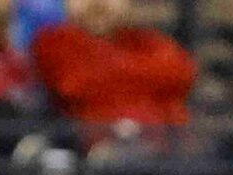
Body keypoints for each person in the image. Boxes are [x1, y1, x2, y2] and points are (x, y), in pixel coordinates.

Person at [29, 0, 195, 129]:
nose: (97, 3)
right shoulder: (53, 41)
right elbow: (77, 85)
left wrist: (112, 70)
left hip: (167, 159)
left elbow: (182, 74)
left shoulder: (148, 42)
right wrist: (146, 77)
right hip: (91, 160)